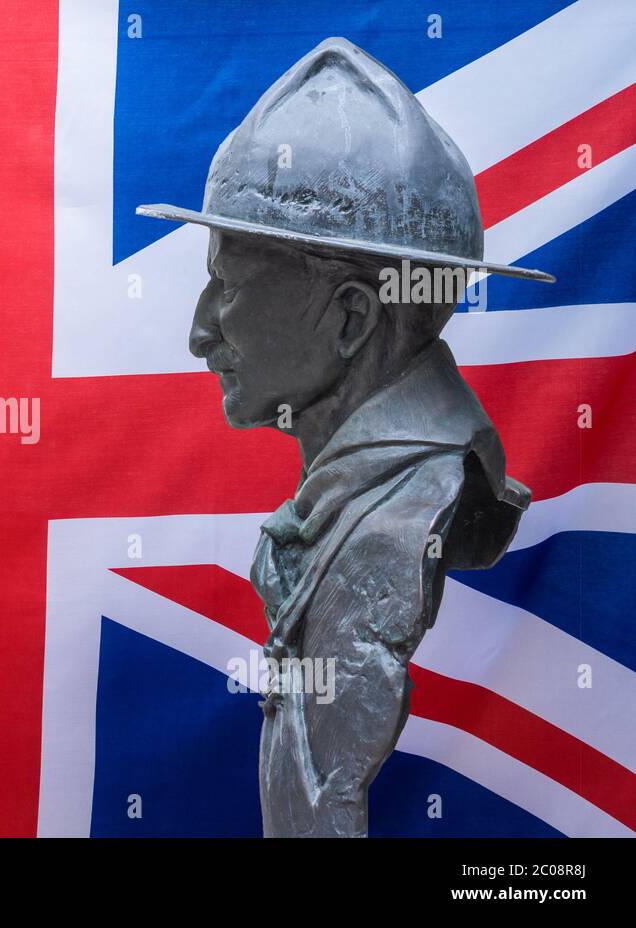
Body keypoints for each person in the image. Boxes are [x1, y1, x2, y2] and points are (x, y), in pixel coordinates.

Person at [139, 37, 553, 837]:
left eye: (226, 285)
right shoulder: (351, 495)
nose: (198, 333)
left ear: (352, 318)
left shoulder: (395, 526)